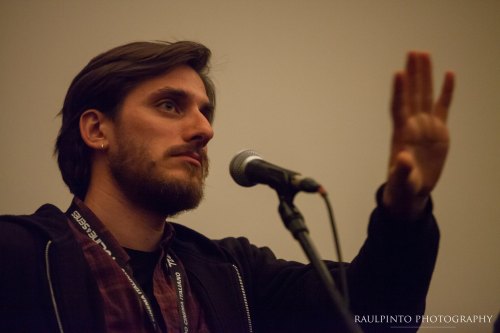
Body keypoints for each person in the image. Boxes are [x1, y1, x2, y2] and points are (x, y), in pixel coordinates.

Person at [0, 40, 454, 333]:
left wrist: (404, 209)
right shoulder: (17, 255)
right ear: (98, 129)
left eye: (206, 113)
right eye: (170, 106)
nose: (204, 130)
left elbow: (377, 313)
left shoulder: (232, 273)